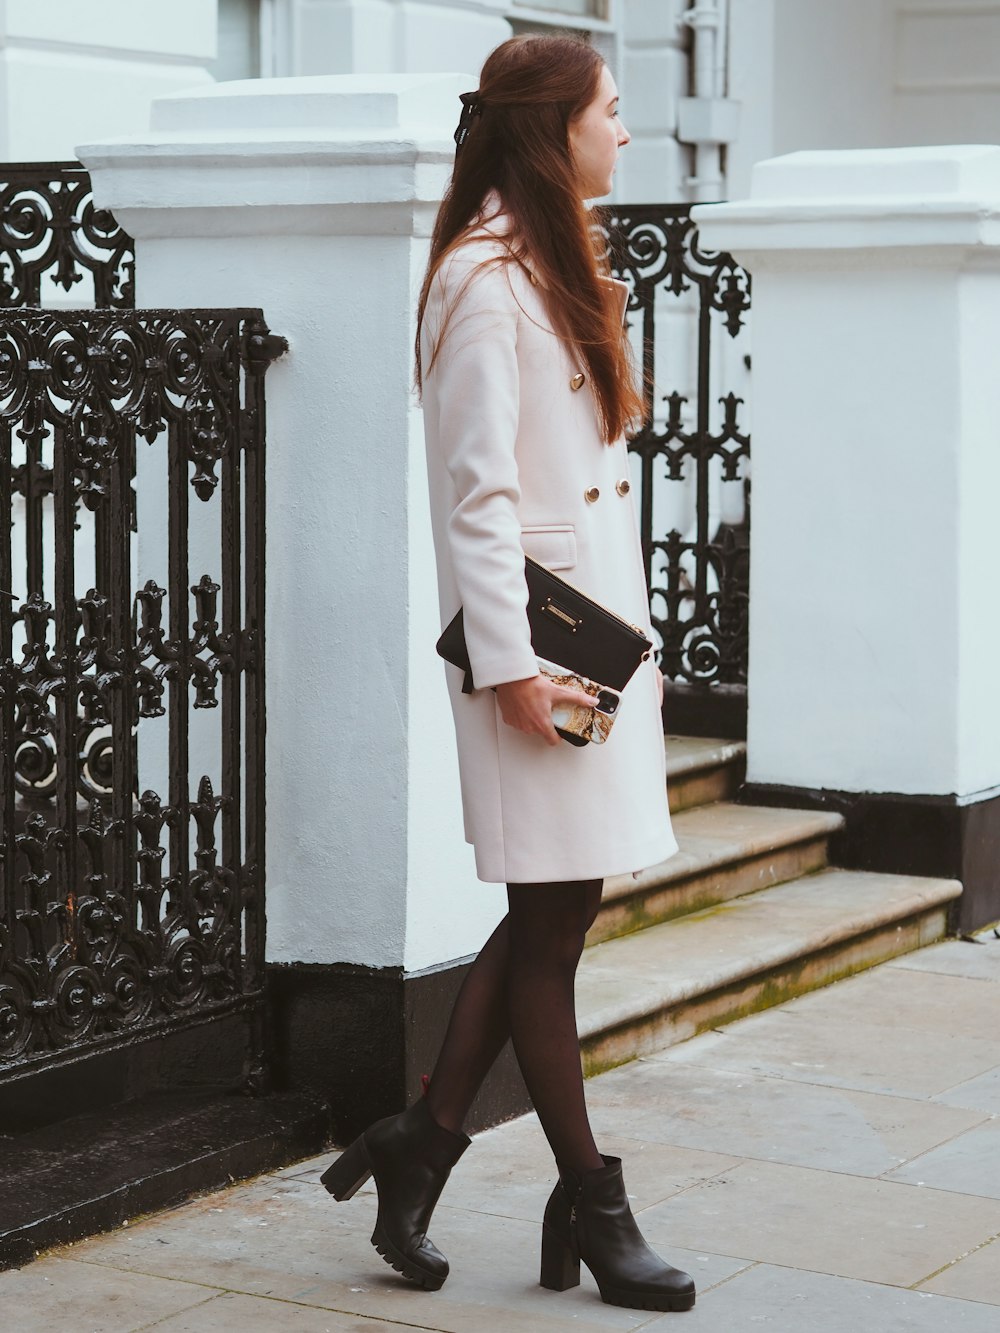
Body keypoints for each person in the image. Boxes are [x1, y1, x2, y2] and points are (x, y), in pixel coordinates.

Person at [321, 33, 694, 1315]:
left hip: (586, 650)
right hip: (534, 658)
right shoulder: (484, 280)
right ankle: (590, 1200)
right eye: (613, 110)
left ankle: (419, 1143)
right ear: (555, 129)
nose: (627, 133)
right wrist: (514, 665)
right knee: (549, 922)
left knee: (557, 912)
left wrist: (614, 656)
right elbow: (474, 500)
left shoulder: (545, 260)